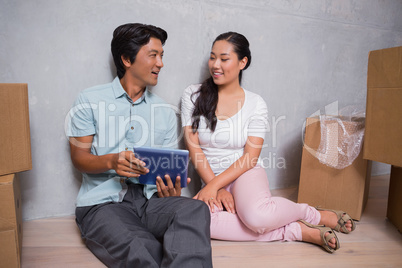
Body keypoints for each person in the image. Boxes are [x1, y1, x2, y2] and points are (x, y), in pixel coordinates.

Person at [180, 31, 356, 253]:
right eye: (212, 57)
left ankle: (311, 214)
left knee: (256, 217)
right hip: (210, 177)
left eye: (224, 59)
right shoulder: (192, 95)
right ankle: (295, 230)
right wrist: (216, 186)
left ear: (242, 62)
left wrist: (217, 186)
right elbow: (193, 146)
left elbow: (250, 158)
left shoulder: (256, 103)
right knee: (191, 221)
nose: (216, 64)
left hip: (245, 173)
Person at [66, 23, 212, 267]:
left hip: (150, 203)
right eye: (153, 55)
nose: (160, 63)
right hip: (103, 204)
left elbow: (164, 169)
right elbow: (79, 158)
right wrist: (111, 161)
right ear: (126, 59)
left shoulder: (165, 112)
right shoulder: (89, 99)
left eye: (162, 56)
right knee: (144, 249)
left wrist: (170, 189)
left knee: (195, 209)